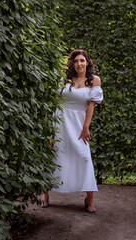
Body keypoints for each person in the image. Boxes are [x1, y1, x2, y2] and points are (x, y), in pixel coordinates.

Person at [40, 49, 103, 213]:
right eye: (75, 61)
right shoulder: (65, 79)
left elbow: (91, 106)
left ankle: (89, 198)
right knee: (54, 155)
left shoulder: (94, 81)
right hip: (60, 120)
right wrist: (49, 121)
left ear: (87, 62)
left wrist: (85, 127)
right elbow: (54, 100)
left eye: (82, 60)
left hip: (79, 123)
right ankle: (44, 193)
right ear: (72, 63)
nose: (79, 64)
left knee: (84, 157)